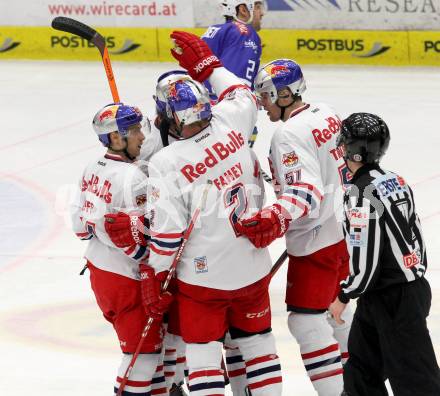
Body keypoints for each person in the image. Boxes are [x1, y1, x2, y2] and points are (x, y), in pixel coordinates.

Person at [145, 31, 283, 396]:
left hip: (203, 279)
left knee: (204, 356)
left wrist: (153, 276)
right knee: (259, 348)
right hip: (253, 267)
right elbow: (242, 92)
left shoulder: (166, 161)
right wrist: (210, 66)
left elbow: (169, 235)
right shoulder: (233, 119)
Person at [236, 59, 353, 396]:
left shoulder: (288, 134)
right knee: (337, 313)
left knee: (306, 322)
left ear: (286, 94)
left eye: (268, 96)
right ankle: (361, 385)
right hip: (344, 229)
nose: (263, 103)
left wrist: (274, 217)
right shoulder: (326, 112)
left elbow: (305, 193)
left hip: (315, 239)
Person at [329, 113, 440, 396]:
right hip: (402, 290)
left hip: (392, 299)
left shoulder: (359, 193)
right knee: (361, 370)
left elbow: (364, 263)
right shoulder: (396, 180)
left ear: (350, 149)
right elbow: (415, 234)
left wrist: (343, 296)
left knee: (416, 379)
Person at [70, 103, 170, 396]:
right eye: (135, 130)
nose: (142, 136)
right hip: (127, 278)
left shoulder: (92, 167)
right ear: (115, 138)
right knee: (142, 356)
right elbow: (141, 242)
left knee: (151, 356)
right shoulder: (133, 178)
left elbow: (79, 227)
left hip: (100, 272)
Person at [202, 0, 264, 149]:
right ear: (243, 9)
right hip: (224, 122)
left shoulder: (214, 30)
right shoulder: (245, 34)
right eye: (257, 7)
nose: (261, 13)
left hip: (202, 116)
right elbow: (235, 89)